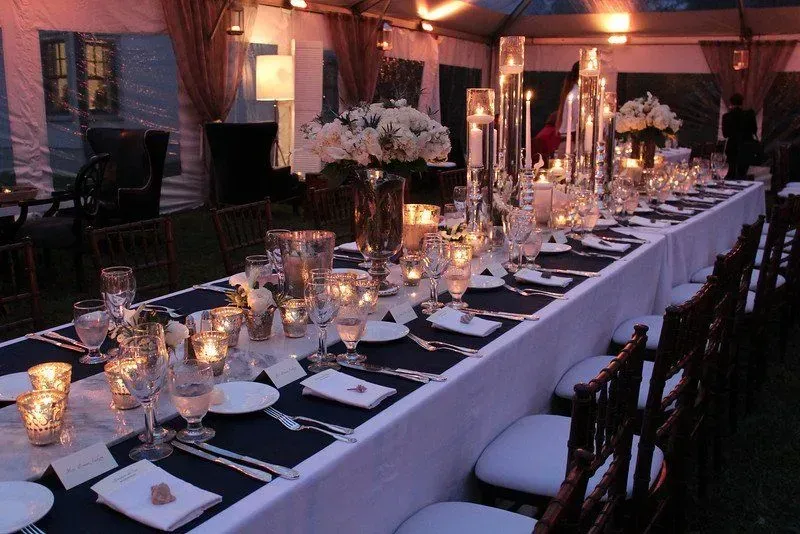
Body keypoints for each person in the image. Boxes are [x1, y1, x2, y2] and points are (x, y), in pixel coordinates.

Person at [721, 93, 757, 180]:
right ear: (742, 103)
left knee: (731, 172)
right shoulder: (749, 115)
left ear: (731, 103)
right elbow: (754, 130)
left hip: (732, 147)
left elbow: (725, 134)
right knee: (743, 172)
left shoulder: (726, 117)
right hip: (746, 147)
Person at [556, 62, 580, 144]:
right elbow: (579, 122)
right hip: (571, 142)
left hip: (569, 140)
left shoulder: (574, 92)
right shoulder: (576, 95)